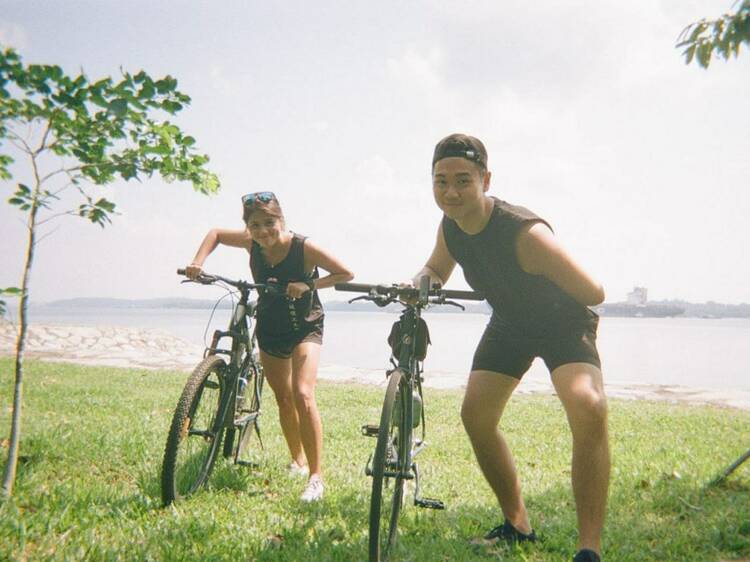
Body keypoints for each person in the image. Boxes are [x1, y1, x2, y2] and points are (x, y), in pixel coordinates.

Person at [412, 134, 609, 562]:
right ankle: (517, 524)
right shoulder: (451, 227)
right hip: (510, 323)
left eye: (463, 180)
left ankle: (588, 549)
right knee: (476, 417)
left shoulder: (525, 233)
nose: (451, 191)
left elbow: (594, 291)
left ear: (486, 179)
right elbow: (436, 268)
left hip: (563, 322)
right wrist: (419, 284)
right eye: (440, 181)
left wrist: (541, 273)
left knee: (587, 405)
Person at [186, 191, 353, 502]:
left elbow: (345, 273)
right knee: (284, 399)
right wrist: (198, 262)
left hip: (305, 326)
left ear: (282, 220)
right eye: (255, 225)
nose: (263, 231)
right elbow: (216, 234)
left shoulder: (303, 247)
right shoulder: (252, 243)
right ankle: (298, 462)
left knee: (303, 393)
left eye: (269, 223)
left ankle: (316, 477)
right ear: (248, 227)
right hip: (271, 327)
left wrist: (309, 284)